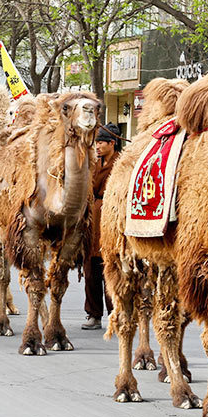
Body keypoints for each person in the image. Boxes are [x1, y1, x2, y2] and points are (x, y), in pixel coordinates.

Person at [82, 123, 121, 330]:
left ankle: (116, 314)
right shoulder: (92, 163)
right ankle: (93, 314)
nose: (97, 146)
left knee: (112, 270)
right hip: (92, 219)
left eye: (101, 143)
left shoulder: (120, 163)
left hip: (110, 216)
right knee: (90, 272)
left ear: (112, 143)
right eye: (96, 143)